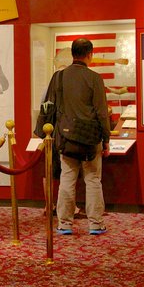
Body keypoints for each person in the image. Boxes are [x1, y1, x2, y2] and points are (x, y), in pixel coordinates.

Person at [35, 38, 111, 235]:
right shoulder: (95, 78)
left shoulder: (58, 77)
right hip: (90, 139)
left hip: (65, 138)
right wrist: (106, 140)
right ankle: (95, 223)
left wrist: (44, 132)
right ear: (90, 54)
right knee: (93, 179)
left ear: (72, 54)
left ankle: (64, 224)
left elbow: (48, 106)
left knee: (67, 179)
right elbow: (102, 113)